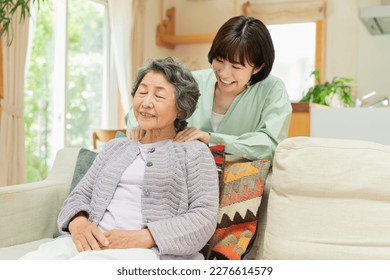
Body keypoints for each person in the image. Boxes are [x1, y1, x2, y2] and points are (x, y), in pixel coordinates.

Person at [20, 57, 219, 260]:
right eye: (142, 92)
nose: (146, 103)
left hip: (150, 254)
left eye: (159, 97)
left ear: (181, 108)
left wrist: (146, 237)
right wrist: (79, 224)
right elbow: (78, 196)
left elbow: (204, 217)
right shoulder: (116, 147)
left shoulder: (195, 152)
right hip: (91, 243)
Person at [127, 16, 292, 161]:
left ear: (257, 67)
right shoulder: (193, 80)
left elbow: (270, 145)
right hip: (180, 171)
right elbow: (141, 108)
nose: (224, 74)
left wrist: (211, 139)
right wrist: (139, 126)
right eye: (219, 60)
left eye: (236, 67)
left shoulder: (272, 89)